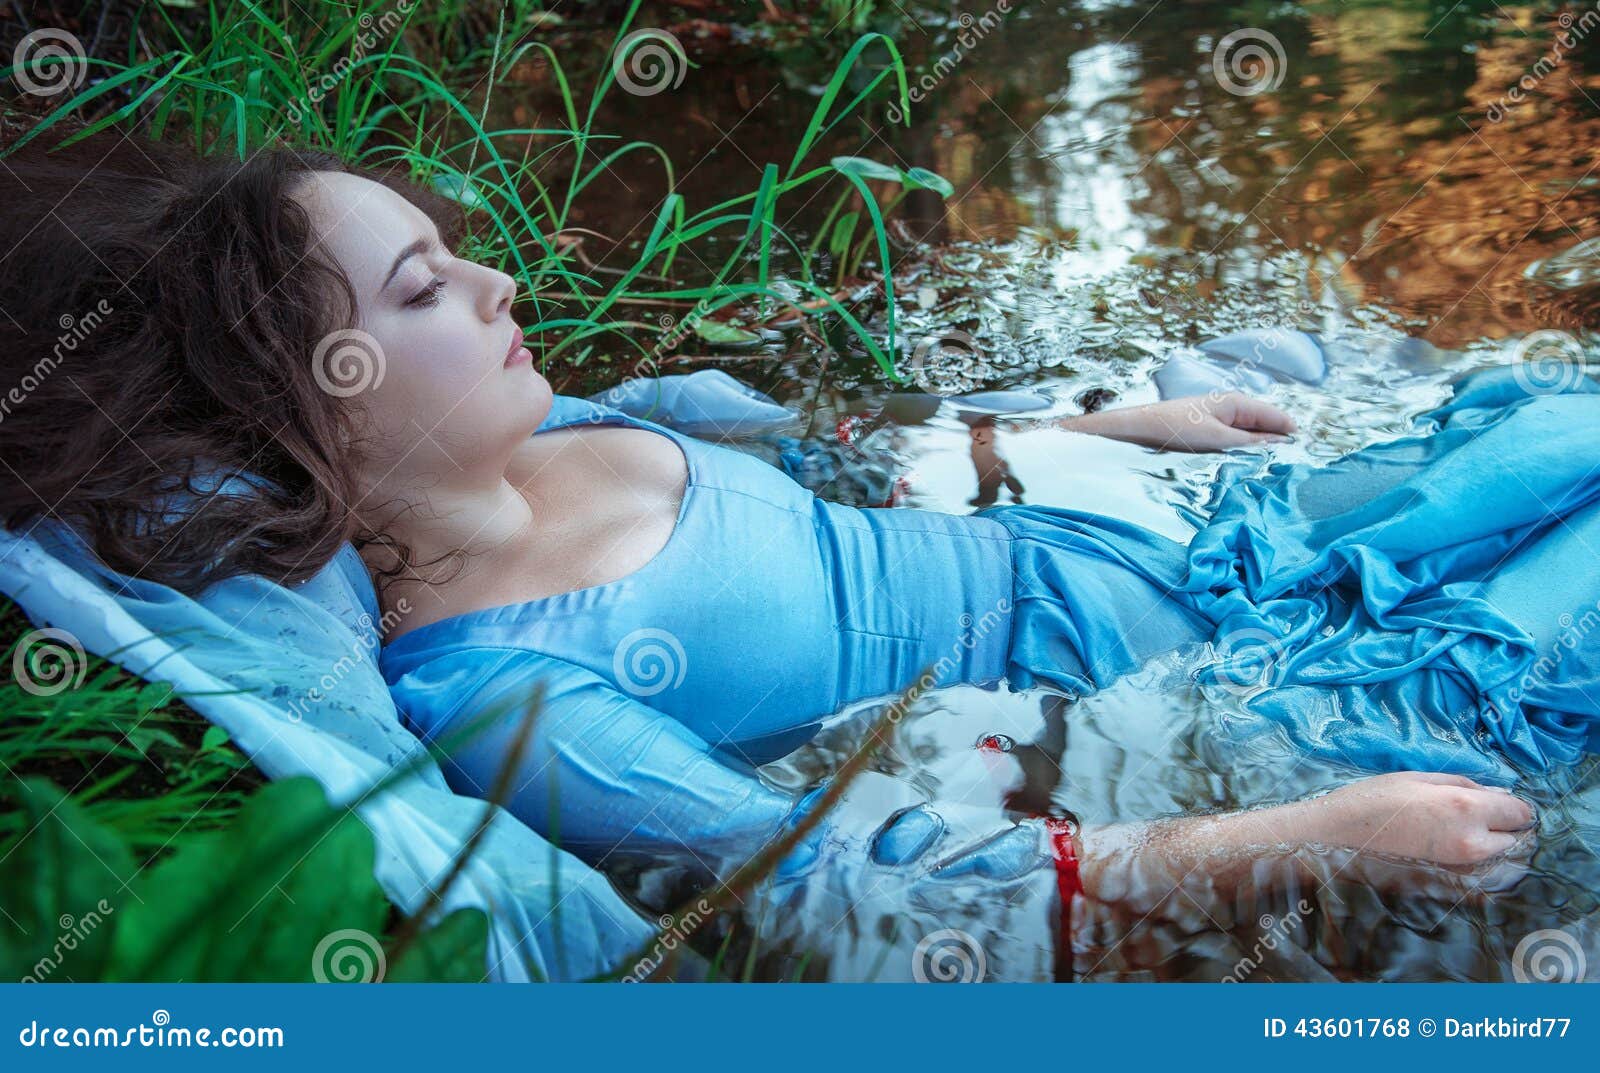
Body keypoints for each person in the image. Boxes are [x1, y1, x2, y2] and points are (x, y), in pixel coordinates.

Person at [4, 132, 1576, 978]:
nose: (492, 280)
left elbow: (839, 482)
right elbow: (828, 889)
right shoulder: (497, 694)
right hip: (1196, 668)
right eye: (421, 290)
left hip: (1171, 538)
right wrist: (1294, 832)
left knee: (1556, 426)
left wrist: (1106, 428)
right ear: (304, 412)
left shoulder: (571, 427)